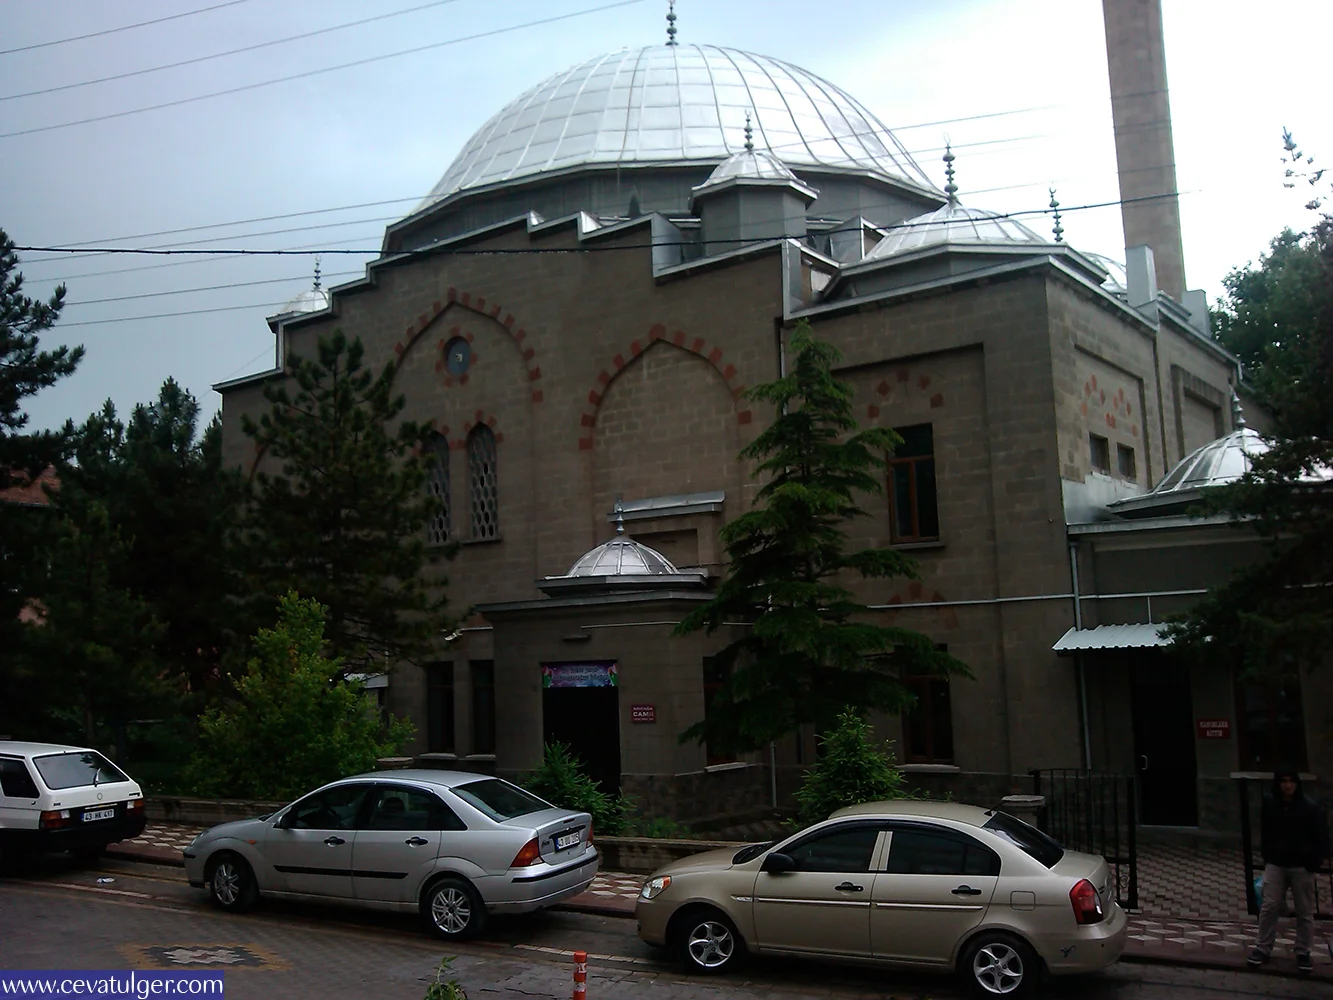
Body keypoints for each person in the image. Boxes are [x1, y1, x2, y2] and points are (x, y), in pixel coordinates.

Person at [1247, 765, 1329, 974]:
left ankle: (1303, 951)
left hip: (1301, 865)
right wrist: (1268, 854)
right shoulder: (1271, 803)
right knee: (1270, 905)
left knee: (1304, 910)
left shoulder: (1309, 807)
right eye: (1284, 782)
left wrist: (1313, 862)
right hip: (1277, 862)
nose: (1288, 786)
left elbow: (1320, 837)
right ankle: (1263, 947)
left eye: (1291, 782)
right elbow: (1265, 830)